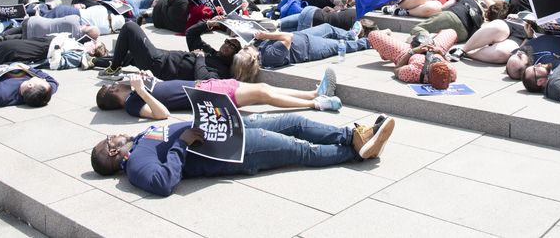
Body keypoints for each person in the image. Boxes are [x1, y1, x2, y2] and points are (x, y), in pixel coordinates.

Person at [90, 113, 396, 196]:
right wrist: (182, 143)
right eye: (109, 138)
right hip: (235, 152)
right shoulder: (136, 165)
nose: (114, 134)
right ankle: (358, 153)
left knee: (298, 123)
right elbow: (161, 182)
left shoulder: (141, 139)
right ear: (113, 150)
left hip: (231, 126)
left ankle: (356, 136)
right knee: (300, 149)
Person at [96, 67, 342, 117]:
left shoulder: (135, 89)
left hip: (205, 86)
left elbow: (164, 89)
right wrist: (141, 91)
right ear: (112, 95)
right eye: (112, 87)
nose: (116, 83)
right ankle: (318, 104)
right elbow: (161, 114)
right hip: (208, 98)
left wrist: (150, 78)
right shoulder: (131, 103)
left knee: (264, 88)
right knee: (263, 96)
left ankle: (312, 93)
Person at [97, 20, 239, 81]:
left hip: (160, 66)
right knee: (128, 55)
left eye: (233, 47)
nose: (227, 45)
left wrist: (200, 58)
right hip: (162, 57)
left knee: (130, 27)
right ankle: (94, 61)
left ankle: (113, 68)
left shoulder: (222, 70)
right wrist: (208, 24)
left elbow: (202, 79)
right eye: (227, 42)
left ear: (235, 55)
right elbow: (191, 34)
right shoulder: (212, 53)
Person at [231, 25, 370, 80]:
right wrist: (266, 35)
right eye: (244, 50)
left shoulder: (258, 49)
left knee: (328, 28)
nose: (244, 47)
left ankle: (350, 34)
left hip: (303, 36)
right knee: (341, 45)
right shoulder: (269, 57)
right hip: (311, 48)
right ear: (253, 57)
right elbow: (287, 38)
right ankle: (367, 42)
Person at [368, 28, 458, 89]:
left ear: (428, 72)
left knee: (373, 34)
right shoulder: (451, 72)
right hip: (435, 46)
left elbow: (396, 69)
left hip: (405, 52)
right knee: (451, 31)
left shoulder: (413, 72)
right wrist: (440, 53)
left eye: (434, 61)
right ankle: (430, 37)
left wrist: (413, 51)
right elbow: (447, 62)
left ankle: (387, 52)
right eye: (437, 60)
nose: (434, 59)